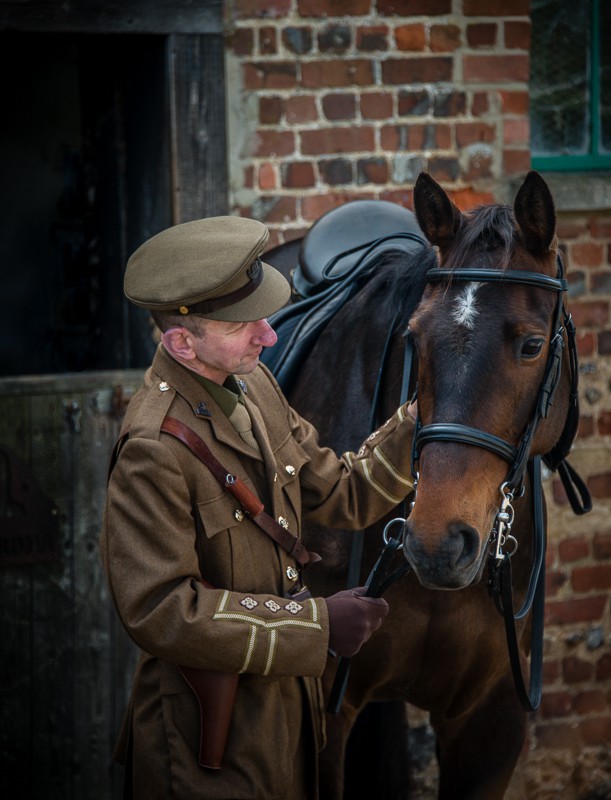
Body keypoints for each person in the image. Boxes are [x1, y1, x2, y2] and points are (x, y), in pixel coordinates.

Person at [100, 215, 418, 800]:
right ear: (181, 342)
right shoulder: (152, 448)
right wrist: (316, 626)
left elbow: (344, 491)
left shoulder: (255, 386)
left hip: (286, 719)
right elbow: (160, 610)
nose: (268, 335)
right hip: (205, 747)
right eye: (243, 324)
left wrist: (424, 420)